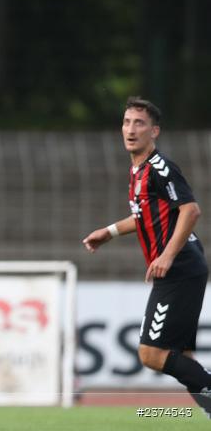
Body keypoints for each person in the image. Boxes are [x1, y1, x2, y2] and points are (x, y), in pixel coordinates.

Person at [83, 97, 211, 415]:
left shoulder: (159, 167)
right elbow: (144, 215)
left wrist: (167, 256)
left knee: (150, 354)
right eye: (126, 122)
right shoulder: (137, 170)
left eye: (139, 123)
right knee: (181, 355)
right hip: (184, 266)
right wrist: (109, 232)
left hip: (180, 267)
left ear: (154, 131)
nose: (130, 129)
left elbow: (190, 210)